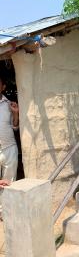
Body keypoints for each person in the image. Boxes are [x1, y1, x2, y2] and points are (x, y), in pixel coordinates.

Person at [0, 75, 19, 219]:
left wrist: (15, 113)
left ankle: (5, 212)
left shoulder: (9, 104)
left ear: (3, 87)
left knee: (8, 182)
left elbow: (15, 126)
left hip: (9, 147)